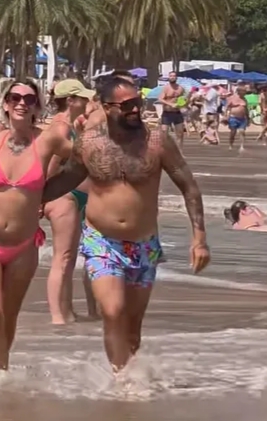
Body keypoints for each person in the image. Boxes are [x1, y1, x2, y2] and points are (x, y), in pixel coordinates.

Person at [42, 77, 210, 373]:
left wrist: (199, 239)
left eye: (138, 103)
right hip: (102, 241)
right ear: (107, 108)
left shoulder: (157, 141)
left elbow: (189, 187)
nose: (135, 109)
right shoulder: (89, 143)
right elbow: (68, 179)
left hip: (144, 244)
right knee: (113, 311)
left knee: (132, 327)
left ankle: (130, 376)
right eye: (127, 105)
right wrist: (31, 199)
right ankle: (121, 381)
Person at [0, 79, 74, 373]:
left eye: (29, 98)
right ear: (5, 103)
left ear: (37, 106)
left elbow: (82, 161)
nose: (21, 103)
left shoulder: (48, 140)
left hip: (23, 247)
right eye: (15, 97)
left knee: (9, 317)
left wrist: (49, 192)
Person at [42, 79, 96, 324]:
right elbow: (49, 167)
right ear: (70, 100)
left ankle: (68, 311)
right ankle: (57, 316)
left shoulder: (71, 125)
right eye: (82, 98)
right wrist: (41, 200)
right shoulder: (60, 128)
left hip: (75, 196)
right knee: (62, 258)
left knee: (69, 259)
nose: (86, 102)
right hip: (64, 197)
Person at [158, 72, 187, 148]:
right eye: (171, 76)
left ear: (176, 77)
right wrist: (170, 104)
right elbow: (160, 99)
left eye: (174, 76)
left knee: (180, 133)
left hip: (177, 113)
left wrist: (183, 103)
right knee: (164, 133)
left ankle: (179, 151)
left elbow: (184, 99)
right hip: (167, 113)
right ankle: (165, 150)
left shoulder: (180, 88)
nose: (172, 77)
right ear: (169, 77)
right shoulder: (166, 88)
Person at [226, 83, 249, 152]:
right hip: (233, 117)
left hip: (242, 118)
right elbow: (227, 108)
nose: (245, 93)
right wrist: (225, 116)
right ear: (239, 91)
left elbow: (246, 109)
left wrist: (248, 118)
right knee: (233, 132)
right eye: (244, 91)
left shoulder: (244, 99)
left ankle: (242, 146)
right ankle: (230, 144)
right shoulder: (232, 98)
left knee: (242, 131)